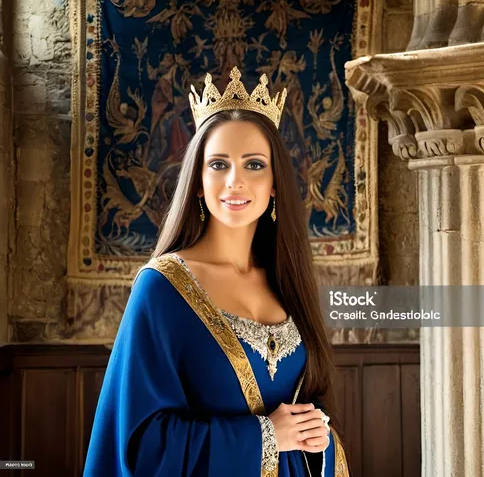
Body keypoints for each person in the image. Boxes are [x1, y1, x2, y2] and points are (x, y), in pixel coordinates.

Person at [83, 67, 350, 476]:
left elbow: (307, 409)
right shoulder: (162, 288)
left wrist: (318, 438)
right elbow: (141, 445)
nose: (235, 182)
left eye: (255, 165)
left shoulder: (287, 282)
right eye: (219, 164)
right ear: (196, 182)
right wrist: (265, 437)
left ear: (276, 182)